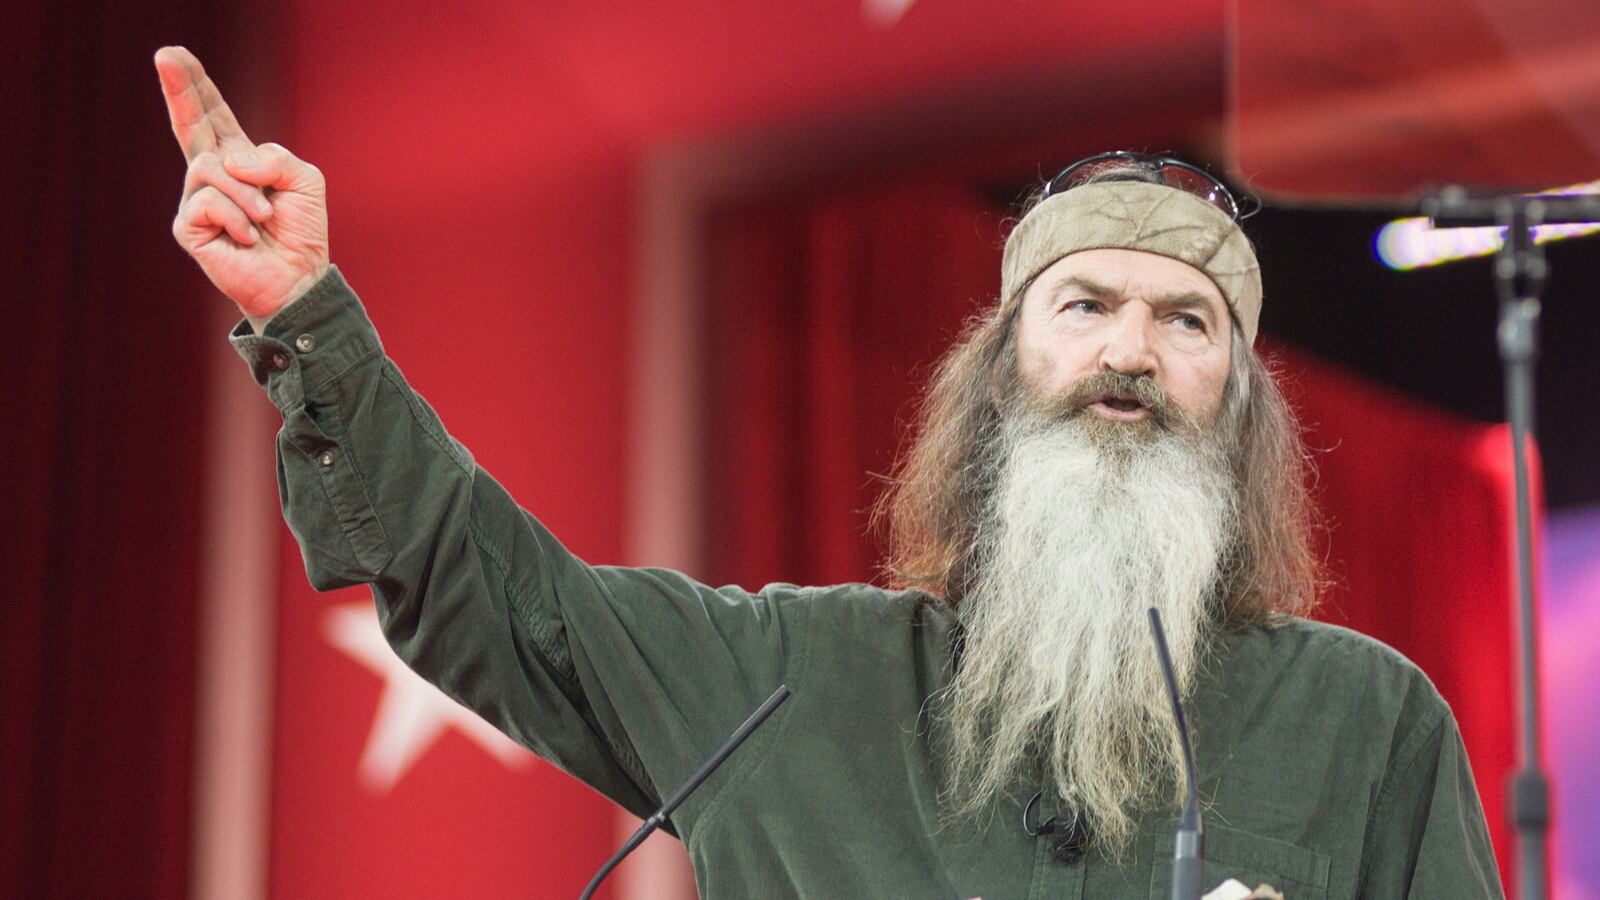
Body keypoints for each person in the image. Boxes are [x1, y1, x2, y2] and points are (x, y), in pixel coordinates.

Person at [157, 45, 1504, 898]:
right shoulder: (782, 680)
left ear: (1245, 409)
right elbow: (490, 594)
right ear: (998, 379)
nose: (1131, 353)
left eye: (1186, 320)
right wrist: (307, 315)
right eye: (1085, 306)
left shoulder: (1370, 726)